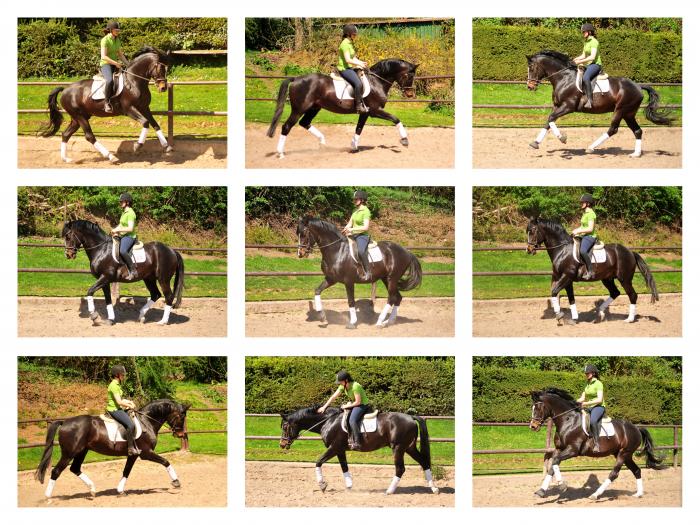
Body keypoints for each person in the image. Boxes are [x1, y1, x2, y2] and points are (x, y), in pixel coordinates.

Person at [317, 370, 370, 450]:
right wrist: (324, 407)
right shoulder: (343, 386)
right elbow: (333, 397)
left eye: (340, 382)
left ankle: (358, 442)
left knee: (352, 420)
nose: (339, 383)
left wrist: (345, 406)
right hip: (354, 404)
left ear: (346, 380)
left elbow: (358, 402)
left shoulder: (355, 386)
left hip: (362, 405)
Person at [107, 365, 141, 456]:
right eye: (122, 374)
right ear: (117, 375)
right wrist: (129, 406)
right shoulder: (114, 385)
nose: (124, 376)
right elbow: (119, 402)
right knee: (130, 424)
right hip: (114, 410)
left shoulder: (117, 385)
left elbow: (121, 399)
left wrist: (130, 402)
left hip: (118, 408)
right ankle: (130, 449)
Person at [338, 24, 369, 114]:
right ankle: (358, 107)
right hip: (344, 69)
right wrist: (358, 64)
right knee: (358, 84)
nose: (355, 36)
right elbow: (348, 60)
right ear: (348, 34)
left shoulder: (350, 43)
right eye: (354, 34)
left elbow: (353, 58)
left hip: (350, 67)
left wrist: (362, 63)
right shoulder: (344, 44)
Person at [342, 190, 372, 280]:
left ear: (362, 200)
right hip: (353, 235)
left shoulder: (366, 211)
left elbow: (365, 227)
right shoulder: (355, 212)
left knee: (361, 251)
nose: (354, 201)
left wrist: (352, 229)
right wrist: (345, 228)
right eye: (354, 199)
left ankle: (368, 272)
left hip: (362, 236)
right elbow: (350, 223)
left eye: (356, 199)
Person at [100, 20, 128, 113]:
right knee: (110, 80)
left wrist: (128, 64)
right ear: (111, 30)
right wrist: (116, 63)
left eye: (118, 30)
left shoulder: (117, 39)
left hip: (115, 64)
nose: (118, 32)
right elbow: (103, 56)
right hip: (106, 64)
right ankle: (106, 102)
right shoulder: (105, 40)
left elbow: (120, 54)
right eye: (116, 30)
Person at [573, 23, 603, 109]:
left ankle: (590, 100)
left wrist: (580, 61)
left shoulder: (594, 42)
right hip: (589, 65)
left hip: (595, 65)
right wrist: (574, 59)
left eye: (584, 32)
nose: (583, 33)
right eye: (582, 32)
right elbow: (583, 55)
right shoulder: (586, 42)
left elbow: (592, 57)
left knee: (586, 77)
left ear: (589, 32)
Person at [577, 364, 606, 452]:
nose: (586, 375)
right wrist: (574, 402)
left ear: (593, 373)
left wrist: (585, 403)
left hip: (598, 407)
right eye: (585, 373)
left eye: (587, 373)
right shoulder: (587, 384)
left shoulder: (598, 384)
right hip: (589, 407)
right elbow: (582, 398)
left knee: (593, 421)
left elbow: (599, 399)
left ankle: (597, 443)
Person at [111, 192, 138, 280]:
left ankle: (133, 271)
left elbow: (130, 228)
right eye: (120, 202)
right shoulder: (124, 212)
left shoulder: (130, 213)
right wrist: (114, 230)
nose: (120, 203)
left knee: (122, 250)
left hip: (130, 236)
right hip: (123, 236)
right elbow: (121, 224)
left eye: (122, 201)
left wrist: (118, 230)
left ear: (127, 202)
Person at [572, 193, 597, 280]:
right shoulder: (585, 214)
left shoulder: (591, 214)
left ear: (588, 203)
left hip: (590, 237)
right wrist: (575, 231)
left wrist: (579, 231)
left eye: (583, 202)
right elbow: (583, 227)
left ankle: (590, 271)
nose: (581, 204)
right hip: (584, 236)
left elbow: (590, 229)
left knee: (582, 251)